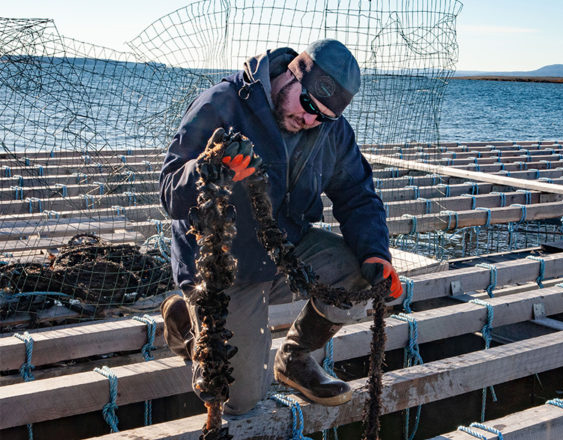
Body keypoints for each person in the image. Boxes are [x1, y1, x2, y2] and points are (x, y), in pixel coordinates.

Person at [159, 39, 402, 414]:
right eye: (307, 105)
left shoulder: (330, 132)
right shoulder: (222, 103)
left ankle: (295, 357)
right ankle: (189, 325)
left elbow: (358, 195)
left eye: (323, 116)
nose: (310, 119)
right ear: (290, 75)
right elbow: (169, 192)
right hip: (222, 267)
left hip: (284, 254)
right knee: (238, 401)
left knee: (361, 274)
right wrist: (210, 171)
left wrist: (376, 253)